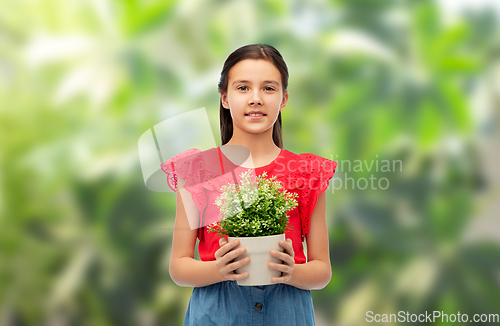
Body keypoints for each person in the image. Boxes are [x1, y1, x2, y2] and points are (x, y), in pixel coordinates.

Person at [160, 44, 338, 326]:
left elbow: (322, 270)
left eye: (268, 88)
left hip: (287, 309)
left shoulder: (306, 173)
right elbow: (179, 266)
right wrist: (219, 269)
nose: (256, 99)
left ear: (283, 100)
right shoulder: (198, 171)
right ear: (225, 98)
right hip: (217, 311)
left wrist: (292, 271)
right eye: (243, 88)